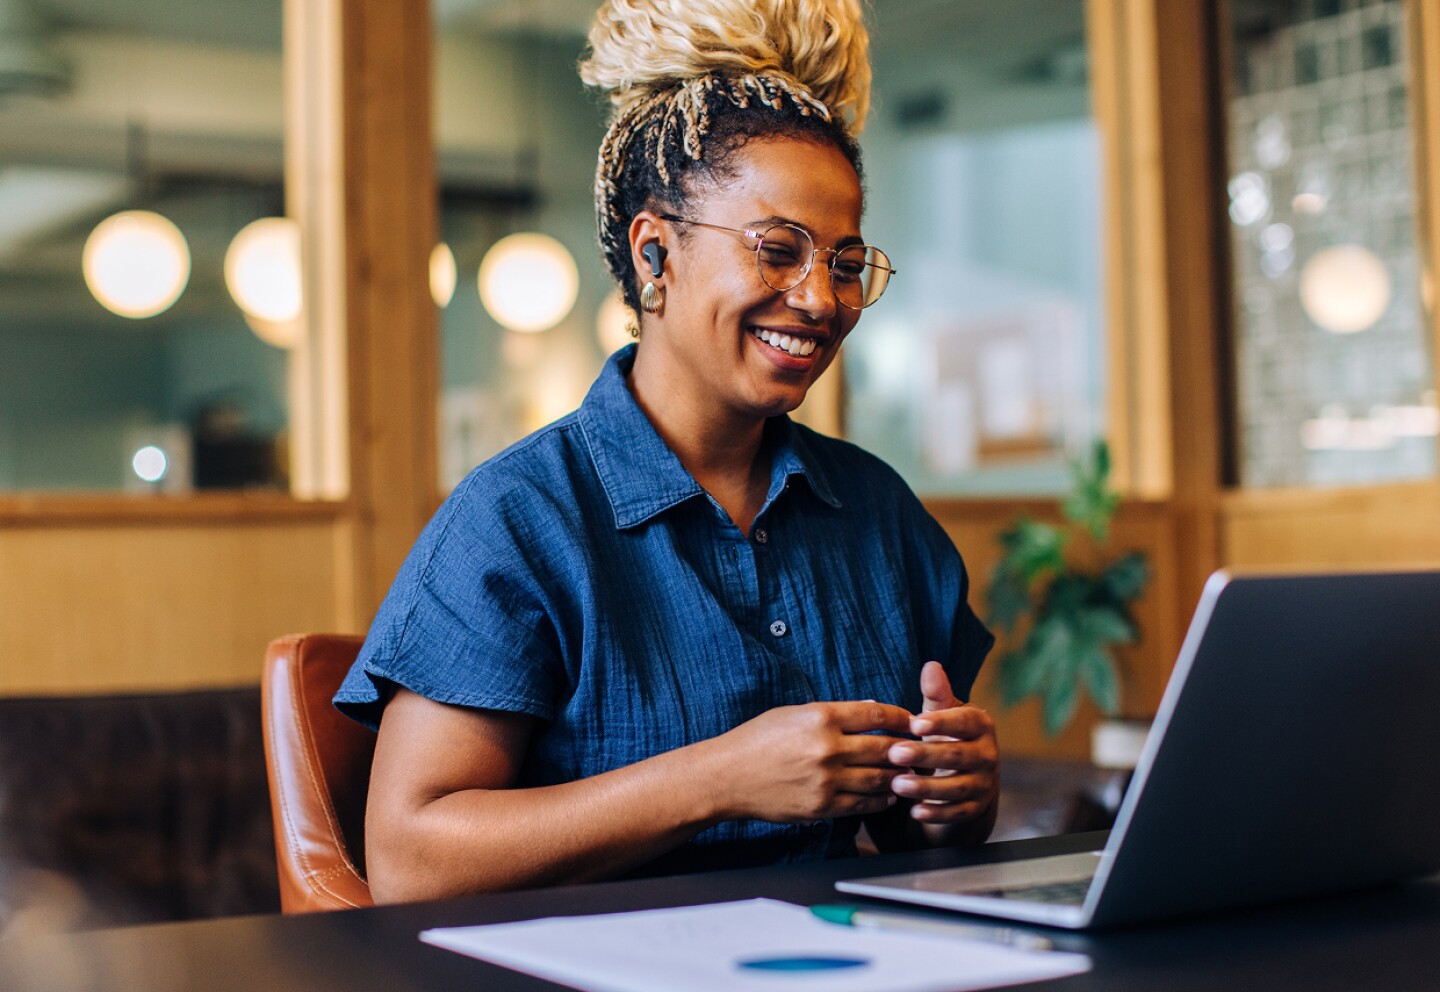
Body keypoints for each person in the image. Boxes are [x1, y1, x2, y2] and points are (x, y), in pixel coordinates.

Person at [335, 0, 999, 904]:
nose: (819, 299)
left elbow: (902, 823)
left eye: (844, 264)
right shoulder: (519, 520)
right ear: (655, 255)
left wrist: (952, 798)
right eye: (778, 250)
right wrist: (716, 780)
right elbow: (411, 865)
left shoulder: (874, 510)